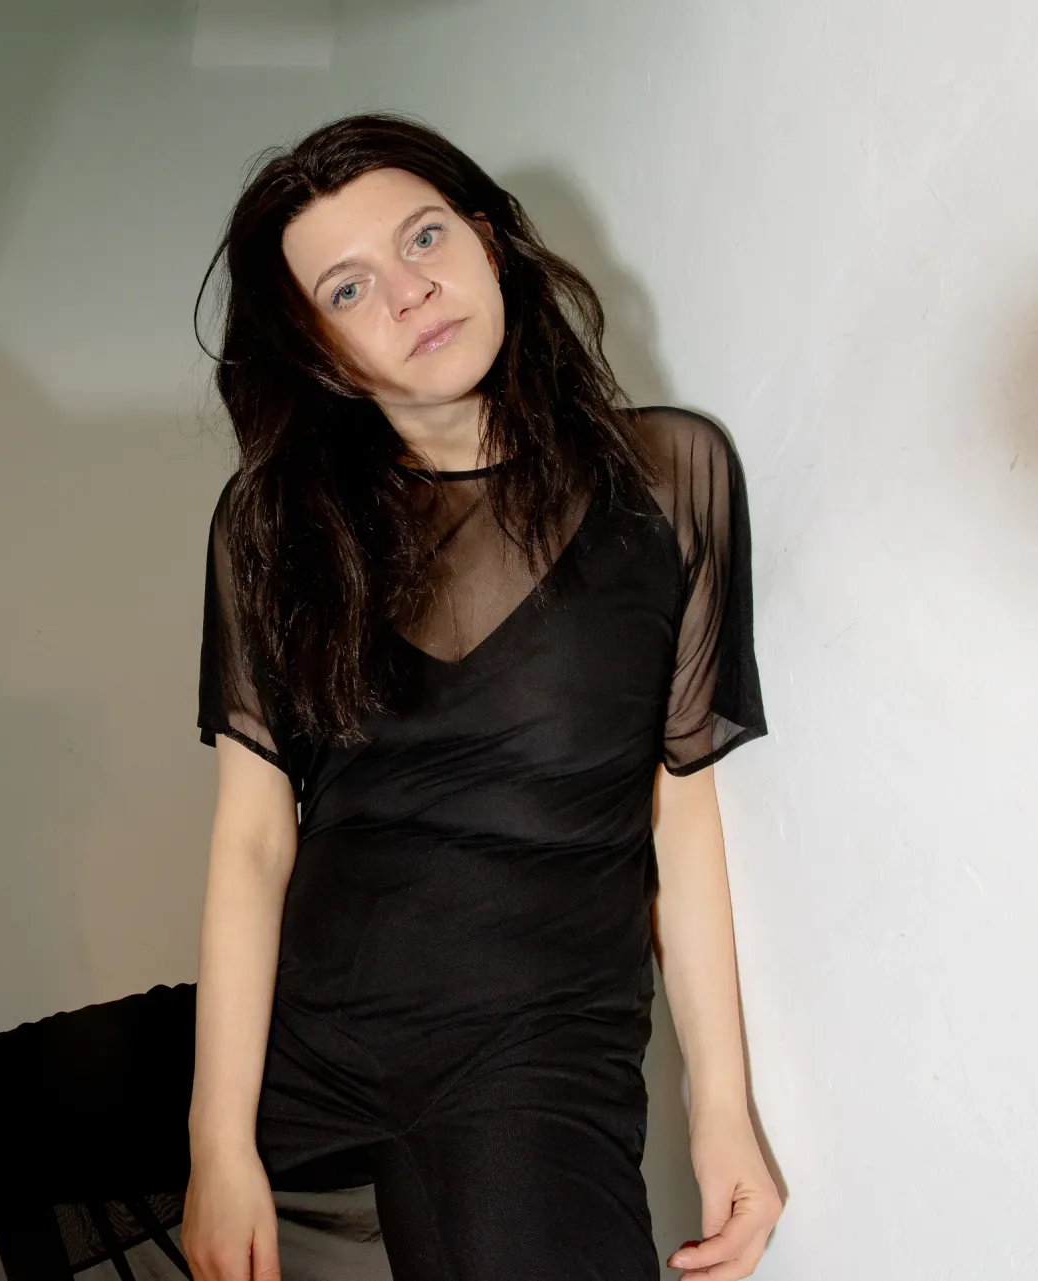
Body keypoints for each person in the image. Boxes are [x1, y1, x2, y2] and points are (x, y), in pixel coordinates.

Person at [183, 114, 783, 1281]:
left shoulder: (670, 479)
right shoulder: (270, 527)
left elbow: (685, 821)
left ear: (492, 241)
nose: (410, 295)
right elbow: (253, 843)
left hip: (535, 1056)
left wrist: (723, 1105)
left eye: (425, 238)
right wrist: (218, 1140)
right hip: (303, 1036)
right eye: (350, 288)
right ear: (317, 349)